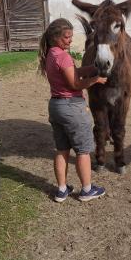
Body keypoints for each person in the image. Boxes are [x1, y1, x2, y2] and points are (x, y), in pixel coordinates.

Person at [38, 18, 107, 202]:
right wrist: (96, 80)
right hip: (72, 107)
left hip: (56, 106)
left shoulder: (51, 54)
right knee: (83, 151)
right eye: (66, 37)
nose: (69, 41)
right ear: (55, 37)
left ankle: (62, 190)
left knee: (62, 149)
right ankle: (86, 190)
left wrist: (92, 68)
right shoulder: (63, 56)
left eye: (70, 37)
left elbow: (73, 72)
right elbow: (75, 83)